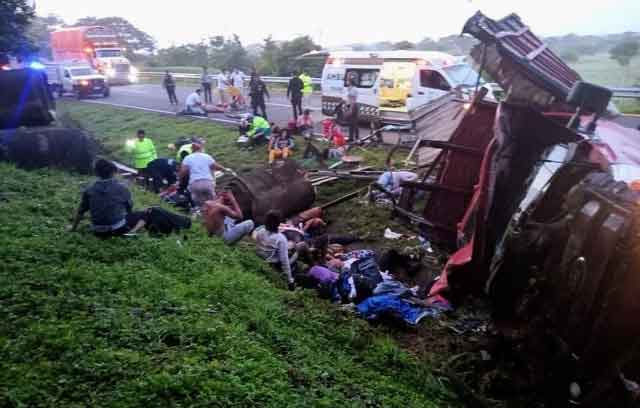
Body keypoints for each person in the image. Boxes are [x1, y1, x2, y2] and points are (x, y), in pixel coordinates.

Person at [69, 159, 148, 237]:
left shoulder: (89, 189)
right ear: (113, 172)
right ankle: (132, 232)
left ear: (96, 172)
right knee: (146, 213)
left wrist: (73, 228)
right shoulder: (122, 188)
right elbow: (129, 208)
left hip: (97, 231)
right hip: (118, 229)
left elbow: (81, 211)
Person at [179, 143, 230, 208]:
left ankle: (203, 213)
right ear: (201, 149)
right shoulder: (206, 156)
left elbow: (183, 172)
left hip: (194, 184)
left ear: (192, 150)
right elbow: (215, 166)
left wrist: (180, 181)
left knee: (201, 204)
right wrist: (225, 169)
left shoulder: (187, 158)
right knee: (214, 202)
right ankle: (216, 213)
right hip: (207, 182)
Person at [254, 210, 296, 290]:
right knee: (298, 249)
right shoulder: (281, 238)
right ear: (278, 223)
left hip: (260, 258)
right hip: (273, 265)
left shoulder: (260, 232)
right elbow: (284, 261)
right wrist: (290, 280)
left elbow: (258, 246)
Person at [345, 76, 359, 142]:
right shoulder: (350, 88)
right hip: (350, 105)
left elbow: (353, 100)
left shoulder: (354, 89)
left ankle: (353, 138)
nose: (346, 82)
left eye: (347, 81)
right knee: (352, 123)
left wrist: (351, 109)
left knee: (353, 122)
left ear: (350, 82)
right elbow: (348, 98)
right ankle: (354, 137)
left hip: (353, 106)